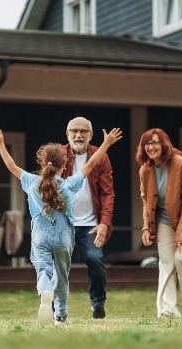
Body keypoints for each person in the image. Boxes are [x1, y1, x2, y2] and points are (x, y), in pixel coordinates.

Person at [0, 125, 122, 325]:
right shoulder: (69, 184)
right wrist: (106, 144)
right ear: (64, 163)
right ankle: (60, 316)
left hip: (40, 234)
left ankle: (45, 292)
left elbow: (12, 166)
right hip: (64, 236)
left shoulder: (31, 182)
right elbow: (92, 163)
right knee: (61, 275)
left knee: (43, 269)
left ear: (42, 162)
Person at [136, 128, 182, 319]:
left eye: (154, 142)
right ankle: (168, 310)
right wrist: (146, 226)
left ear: (164, 144)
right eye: (147, 143)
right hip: (164, 220)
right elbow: (146, 201)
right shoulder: (145, 170)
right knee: (167, 262)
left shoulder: (179, 163)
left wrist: (181, 231)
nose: (150, 147)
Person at [61, 116, 114, 319]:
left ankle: (97, 303)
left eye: (83, 131)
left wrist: (104, 223)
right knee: (59, 264)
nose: (78, 135)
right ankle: (58, 307)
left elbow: (108, 193)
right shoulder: (59, 154)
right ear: (67, 134)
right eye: (74, 130)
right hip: (64, 223)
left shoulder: (100, 157)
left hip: (91, 224)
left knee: (95, 259)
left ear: (91, 135)